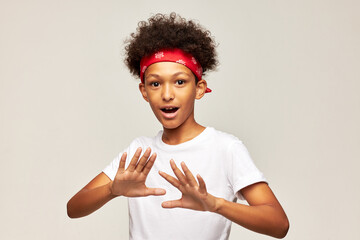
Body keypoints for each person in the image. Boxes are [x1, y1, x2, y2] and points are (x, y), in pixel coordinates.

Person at [67, 13, 289, 239]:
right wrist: (112, 190)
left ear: (199, 88)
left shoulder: (225, 148)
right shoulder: (139, 153)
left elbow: (279, 224)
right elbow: (73, 208)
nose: (167, 94)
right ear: (144, 92)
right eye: (155, 83)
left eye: (180, 82)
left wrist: (215, 204)